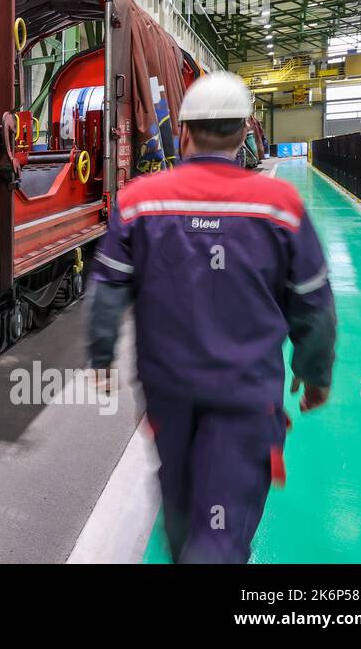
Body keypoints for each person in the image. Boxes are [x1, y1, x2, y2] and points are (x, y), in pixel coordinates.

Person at [86, 71, 336, 563]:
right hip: (244, 397)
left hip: (167, 393)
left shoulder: (140, 201)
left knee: (178, 506)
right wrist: (314, 373)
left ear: (182, 132)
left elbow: (108, 287)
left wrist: (100, 354)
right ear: (245, 132)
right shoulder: (280, 206)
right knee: (220, 529)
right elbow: (313, 301)